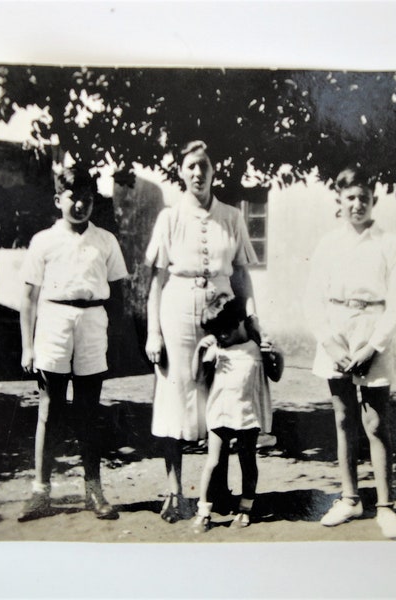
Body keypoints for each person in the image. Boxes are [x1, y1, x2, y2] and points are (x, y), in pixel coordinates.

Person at [144, 140, 261, 523]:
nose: (198, 172)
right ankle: (175, 491)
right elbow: (157, 282)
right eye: (191, 166)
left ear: (214, 171)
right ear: (180, 171)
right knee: (176, 395)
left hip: (225, 317)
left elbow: (242, 273)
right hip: (177, 312)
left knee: (223, 397)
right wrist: (153, 333)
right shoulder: (170, 218)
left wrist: (253, 320)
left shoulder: (231, 216)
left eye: (204, 166)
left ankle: (220, 490)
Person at [18, 164, 129, 522]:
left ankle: (93, 489)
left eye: (87, 198)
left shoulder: (105, 240)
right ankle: (40, 491)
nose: (80, 205)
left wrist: (111, 333)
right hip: (53, 323)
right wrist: (27, 346)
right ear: (57, 200)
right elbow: (29, 299)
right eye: (73, 198)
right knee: (49, 408)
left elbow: (118, 295)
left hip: (92, 323)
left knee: (88, 411)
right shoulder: (43, 241)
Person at [303, 166, 396, 539]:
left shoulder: (388, 243)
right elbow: (313, 300)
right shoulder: (328, 244)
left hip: (372, 333)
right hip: (336, 334)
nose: (357, 203)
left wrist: (372, 346)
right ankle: (350, 499)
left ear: (373, 200)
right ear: (340, 201)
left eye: (363, 197)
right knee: (344, 419)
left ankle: (385, 506)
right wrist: (331, 343)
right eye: (350, 197)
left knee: (376, 423)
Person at [190, 295, 283, 533]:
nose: (221, 336)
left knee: (247, 460)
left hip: (247, 413)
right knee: (213, 461)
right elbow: (197, 377)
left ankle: (245, 508)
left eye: (224, 331)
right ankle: (203, 511)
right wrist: (198, 353)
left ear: (239, 322)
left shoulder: (257, 348)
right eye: (215, 332)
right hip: (220, 411)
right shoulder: (217, 350)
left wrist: (278, 355)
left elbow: (276, 375)